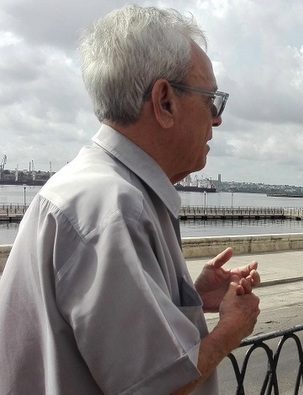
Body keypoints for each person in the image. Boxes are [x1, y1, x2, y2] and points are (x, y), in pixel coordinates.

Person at [0, 6, 260, 394]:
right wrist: (229, 330)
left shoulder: (100, 189)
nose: (217, 119)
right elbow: (155, 386)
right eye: (211, 100)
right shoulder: (113, 205)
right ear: (165, 101)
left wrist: (186, 294)